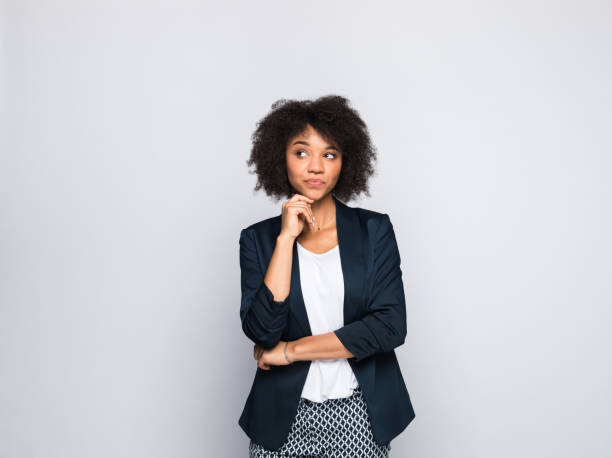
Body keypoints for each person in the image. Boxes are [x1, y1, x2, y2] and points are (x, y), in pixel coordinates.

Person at [238, 95, 415, 458]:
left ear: (345, 163)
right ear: (280, 159)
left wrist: (290, 351)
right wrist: (286, 240)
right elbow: (262, 331)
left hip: (358, 412)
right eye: (301, 152)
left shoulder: (373, 231)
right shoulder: (257, 239)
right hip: (282, 415)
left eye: (329, 154)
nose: (315, 166)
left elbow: (389, 326)